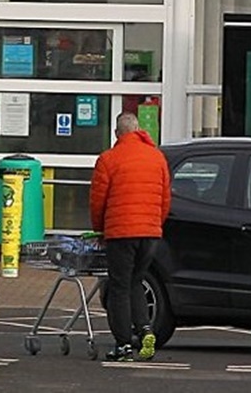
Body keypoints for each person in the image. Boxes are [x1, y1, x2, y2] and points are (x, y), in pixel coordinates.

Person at [90, 112, 171, 362]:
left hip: (121, 234)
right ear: (138, 130)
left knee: (119, 287)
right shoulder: (157, 158)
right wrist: (155, 224)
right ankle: (145, 330)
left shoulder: (108, 159)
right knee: (136, 281)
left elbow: (98, 201)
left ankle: (123, 344)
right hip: (150, 234)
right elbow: (165, 199)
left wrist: (100, 230)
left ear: (117, 133)